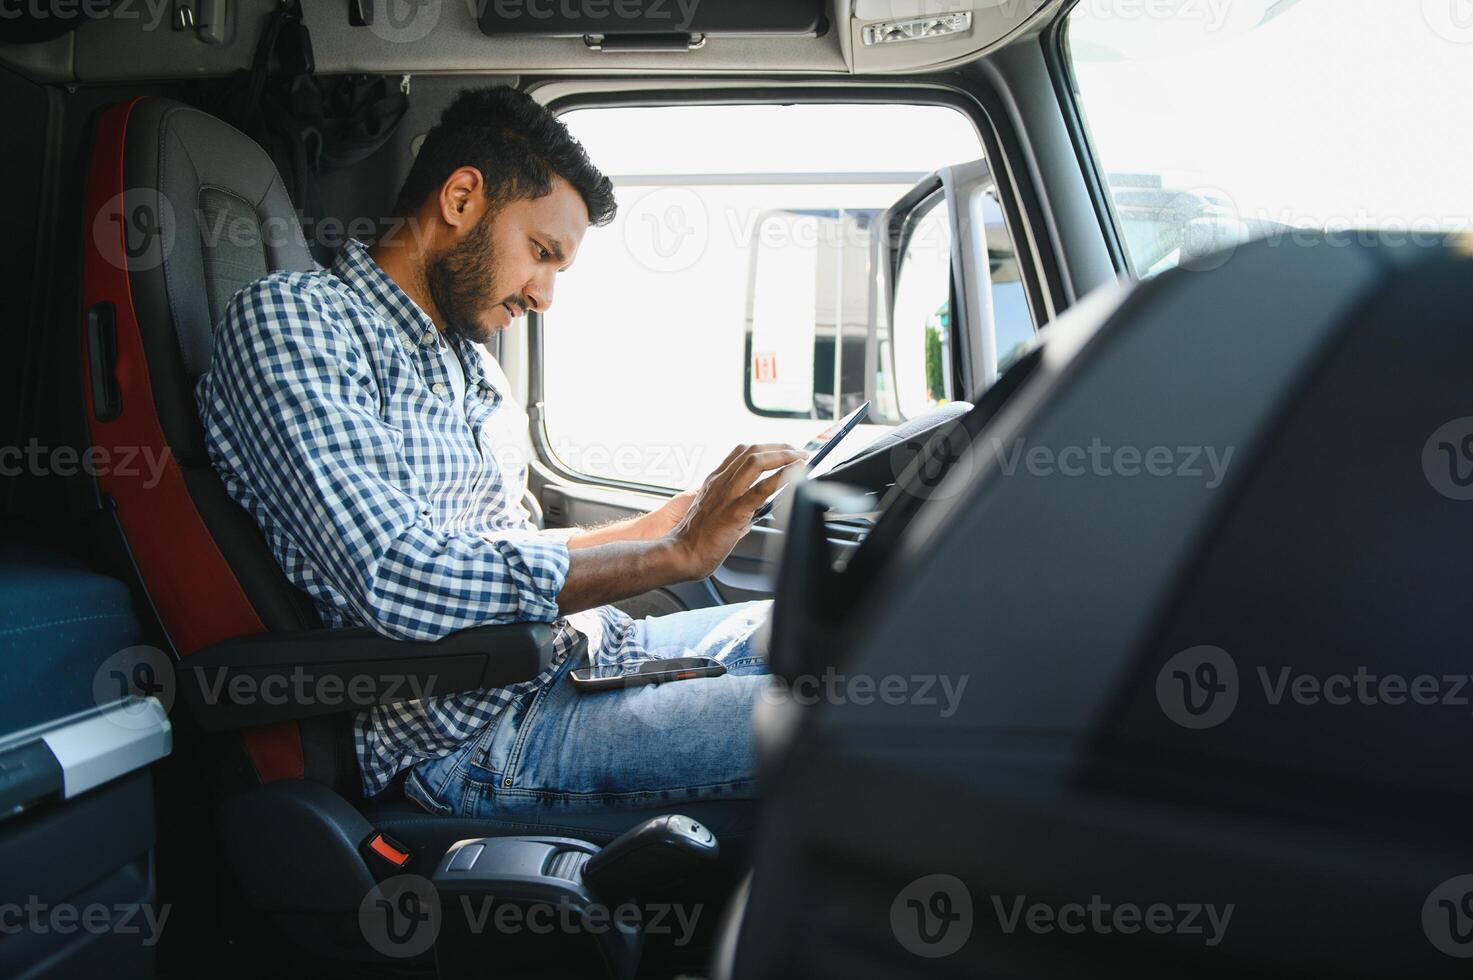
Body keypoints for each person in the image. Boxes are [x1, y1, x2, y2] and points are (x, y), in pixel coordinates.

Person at [195, 86, 804, 824]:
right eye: (540, 254)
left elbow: (502, 550)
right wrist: (666, 558)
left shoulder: (469, 362)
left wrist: (661, 526)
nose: (545, 295)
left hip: (571, 661)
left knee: (832, 638)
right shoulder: (297, 320)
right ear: (460, 198)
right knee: (842, 725)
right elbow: (397, 577)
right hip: (471, 737)